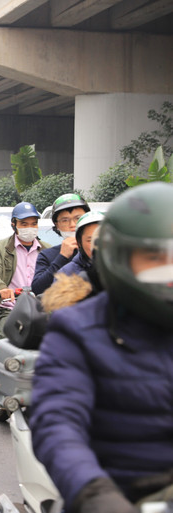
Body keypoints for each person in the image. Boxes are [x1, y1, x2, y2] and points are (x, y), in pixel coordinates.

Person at [30, 182, 173, 513]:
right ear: (117, 258)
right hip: (118, 493)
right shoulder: (76, 329)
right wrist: (93, 492)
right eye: (154, 258)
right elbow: (57, 423)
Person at [0, 201, 51, 335]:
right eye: (24, 224)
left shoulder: (47, 250)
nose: (29, 228)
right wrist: (1, 288)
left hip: (42, 309)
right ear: (13, 225)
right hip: (11, 308)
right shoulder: (0, 248)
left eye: (33, 224)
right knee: (6, 341)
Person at [40, 211, 105, 313]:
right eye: (90, 240)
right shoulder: (67, 274)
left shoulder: (126, 267)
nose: (98, 245)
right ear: (79, 243)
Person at [31, 194, 90, 294]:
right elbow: (37, 288)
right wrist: (62, 257)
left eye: (78, 218)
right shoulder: (47, 255)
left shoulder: (100, 249)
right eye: (65, 220)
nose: (72, 225)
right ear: (57, 225)